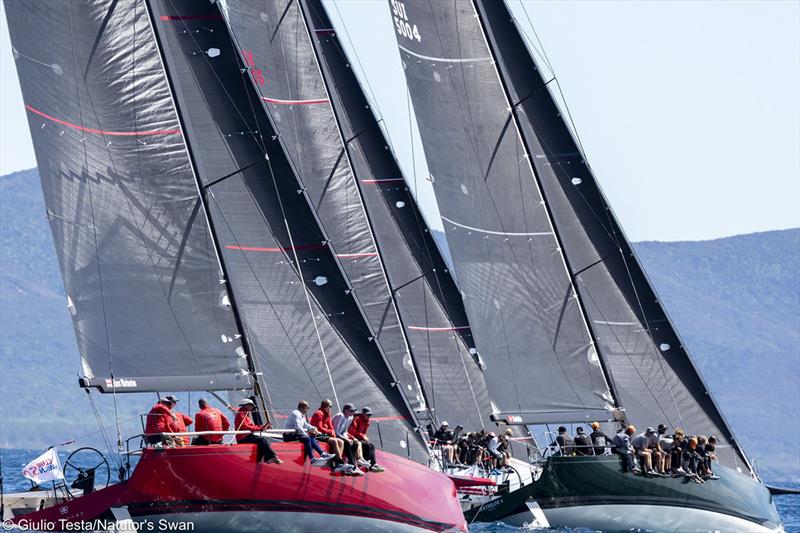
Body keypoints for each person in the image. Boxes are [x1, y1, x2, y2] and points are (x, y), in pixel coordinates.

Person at [284, 400, 334, 466]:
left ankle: (322, 454)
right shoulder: (296, 414)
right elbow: (298, 427)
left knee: (311, 437)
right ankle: (312, 459)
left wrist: (314, 428)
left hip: (295, 434)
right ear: (303, 407)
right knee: (307, 438)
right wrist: (306, 434)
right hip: (288, 435)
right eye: (308, 408)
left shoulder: (301, 414)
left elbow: (306, 424)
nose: (308, 409)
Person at [235, 399, 282, 464]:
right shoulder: (241, 414)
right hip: (242, 438)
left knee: (260, 441)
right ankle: (272, 457)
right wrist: (260, 428)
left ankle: (259, 460)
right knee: (262, 440)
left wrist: (262, 427)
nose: (252, 408)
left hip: (246, 436)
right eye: (251, 406)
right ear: (246, 405)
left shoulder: (245, 414)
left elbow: (250, 426)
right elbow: (245, 426)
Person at [309, 399, 346, 468]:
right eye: (330, 406)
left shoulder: (327, 414)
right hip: (317, 435)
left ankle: (337, 462)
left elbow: (331, 427)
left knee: (341, 441)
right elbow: (319, 428)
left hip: (323, 434)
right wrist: (330, 432)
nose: (331, 408)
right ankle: (338, 462)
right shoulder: (319, 413)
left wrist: (333, 435)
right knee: (334, 441)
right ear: (326, 406)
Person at [349, 407, 385, 472]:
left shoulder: (367, 422)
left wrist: (363, 436)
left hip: (359, 438)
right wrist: (362, 436)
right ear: (363, 414)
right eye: (367, 415)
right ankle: (369, 464)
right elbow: (352, 431)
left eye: (370, 415)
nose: (369, 416)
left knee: (371, 445)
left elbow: (364, 432)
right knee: (367, 445)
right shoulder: (357, 419)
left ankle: (372, 464)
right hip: (354, 437)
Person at [332, 403, 363, 475]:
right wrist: (346, 439)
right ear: (345, 410)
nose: (353, 412)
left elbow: (345, 431)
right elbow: (336, 431)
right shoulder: (340, 416)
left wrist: (347, 438)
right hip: (334, 435)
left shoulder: (350, 417)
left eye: (353, 411)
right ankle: (353, 466)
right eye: (351, 411)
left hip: (341, 435)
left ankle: (351, 465)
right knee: (347, 443)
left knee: (355, 443)